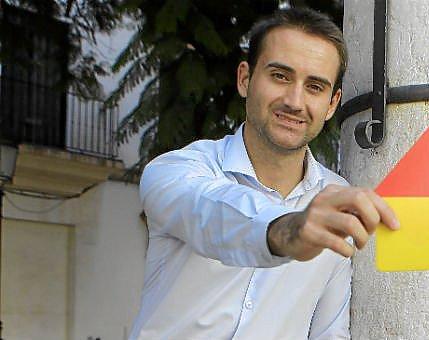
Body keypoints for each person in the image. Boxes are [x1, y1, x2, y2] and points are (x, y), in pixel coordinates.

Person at [128, 7, 399, 340]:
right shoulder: (176, 170)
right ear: (245, 79)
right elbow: (211, 214)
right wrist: (289, 230)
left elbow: (330, 330)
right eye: (280, 76)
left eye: (314, 87)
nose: (295, 101)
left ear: (332, 104)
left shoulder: (336, 197)